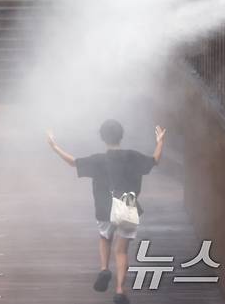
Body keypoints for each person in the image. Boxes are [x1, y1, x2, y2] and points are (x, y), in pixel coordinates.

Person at [47, 120, 166, 304]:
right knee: (122, 251)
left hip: (104, 208)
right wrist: (160, 141)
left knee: (105, 238)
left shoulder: (98, 160)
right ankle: (120, 290)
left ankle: (104, 269)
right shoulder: (132, 156)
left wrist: (54, 146)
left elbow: (73, 162)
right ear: (121, 136)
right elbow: (154, 160)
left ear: (102, 138)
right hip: (127, 206)